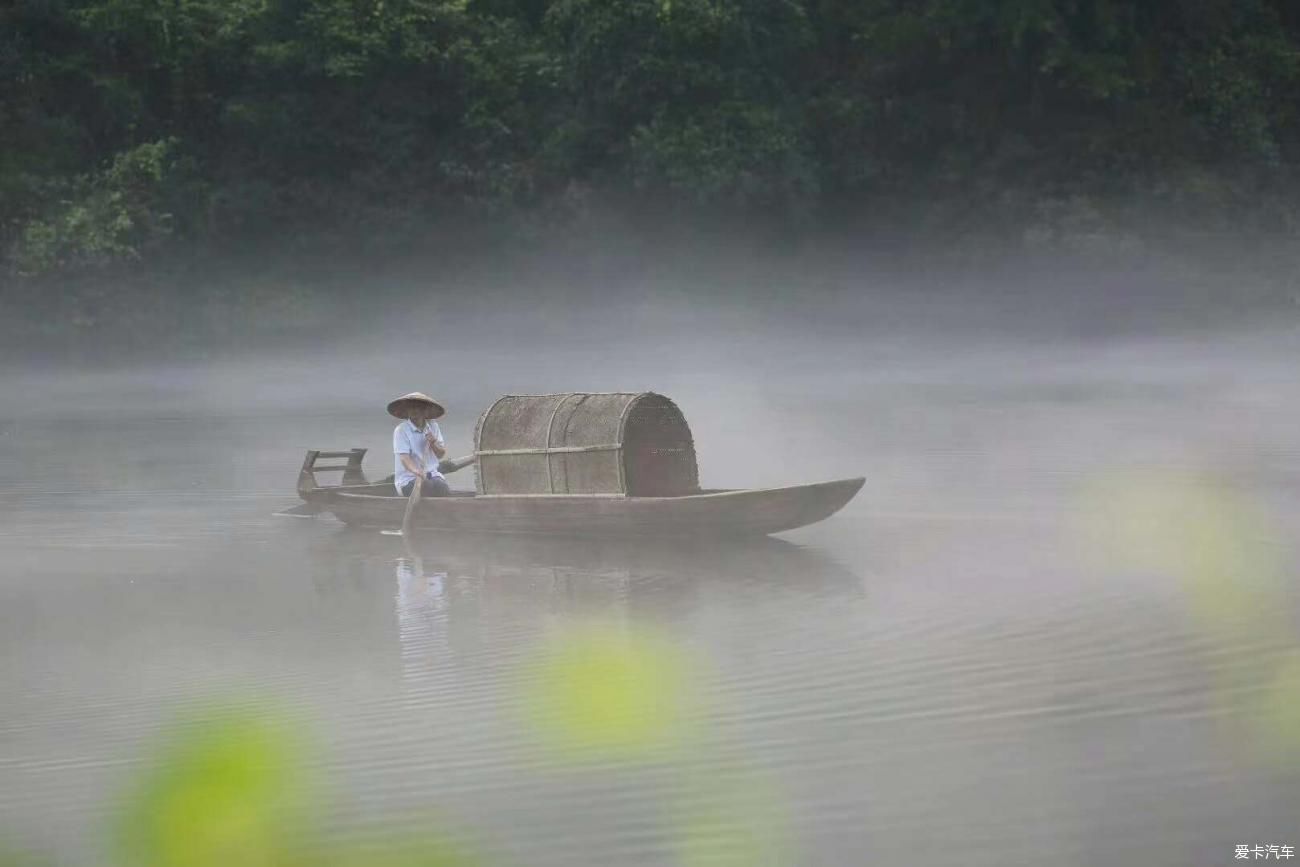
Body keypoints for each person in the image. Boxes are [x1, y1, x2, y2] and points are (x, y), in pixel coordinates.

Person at [388, 391, 451, 497]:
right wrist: (417, 472)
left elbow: (441, 455)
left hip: (433, 476)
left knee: (442, 487)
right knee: (426, 485)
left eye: (417, 407)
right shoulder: (401, 430)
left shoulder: (433, 426)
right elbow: (404, 459)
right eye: (410, 407)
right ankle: (424, 513)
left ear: (424, 410)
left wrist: (433, 443)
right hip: (408, 480)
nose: (413, 410)